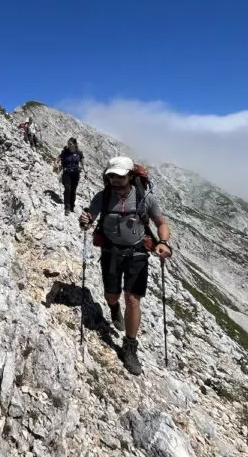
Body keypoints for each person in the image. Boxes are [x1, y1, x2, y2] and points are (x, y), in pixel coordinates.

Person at [78, 156, 173, 376]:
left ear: (130, 176)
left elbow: (161, 223)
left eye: (119, 176)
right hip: (111, 251)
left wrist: (164, 243)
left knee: (133, 298)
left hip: (137, 253)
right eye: (111, 175)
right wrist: (85, 220)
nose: (115, 180)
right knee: (112, 295)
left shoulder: (145, 198)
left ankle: (130, 346)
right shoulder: (102, 197)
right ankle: (113, 308)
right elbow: (89, 217)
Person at [58, 137, 86, 215]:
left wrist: (86, 171)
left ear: (75, 144)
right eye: (68, 144)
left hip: (75, 174)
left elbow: (83, 163)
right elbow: (58, 158)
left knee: (73, 191)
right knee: (68, 189)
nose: (69, 145)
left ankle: (72, 206)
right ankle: (67, 207)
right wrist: (56, 163)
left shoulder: (79, 153)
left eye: (70, 144)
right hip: (66, 173)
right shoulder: (65, 152)